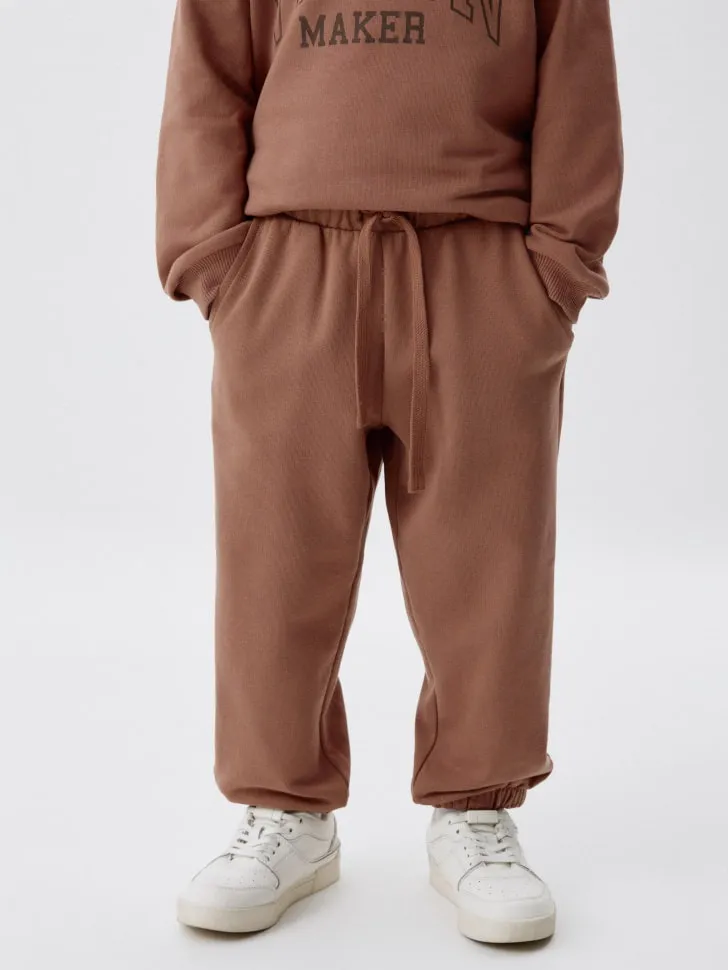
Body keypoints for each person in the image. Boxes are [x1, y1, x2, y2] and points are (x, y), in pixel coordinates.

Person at [156, 0, 623, 944]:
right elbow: (210, 69)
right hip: (289, 266)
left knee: (489, 563)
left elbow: (577, 81)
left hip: (482, 266)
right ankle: (286, 810)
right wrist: (211, 259)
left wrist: (558, 268)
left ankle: (475, 809)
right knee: (274, 558)